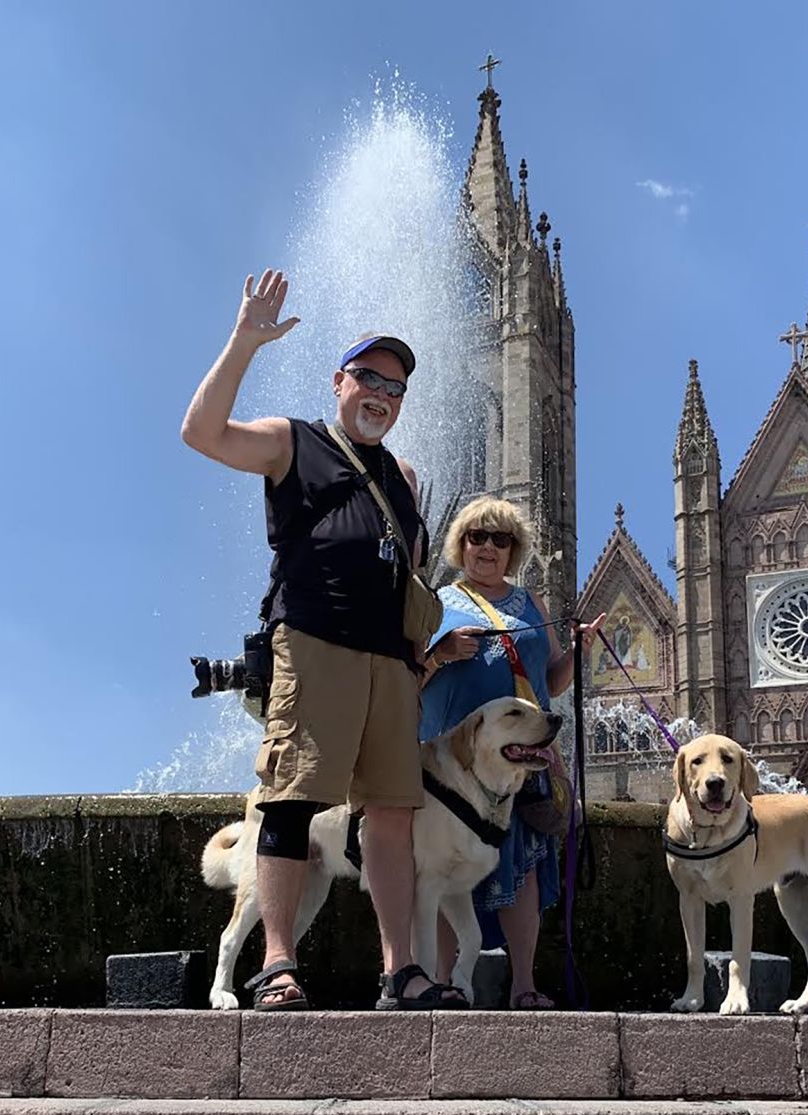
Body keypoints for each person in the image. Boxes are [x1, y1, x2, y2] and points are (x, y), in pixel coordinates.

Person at [181, 268, 464, 1011]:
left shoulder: (402, 475)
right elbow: (201, 432)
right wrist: (246, 340)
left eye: (396, 387)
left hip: (390, 665)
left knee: (394, 816)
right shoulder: (293, 440)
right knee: (290, 801)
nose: (381, 393)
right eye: (369, 377)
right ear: (340, 380)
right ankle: (277, 963)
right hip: (311, 644)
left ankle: (401, 970)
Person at [420, 496, 605, 1008]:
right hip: (452, 766)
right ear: (461, 543)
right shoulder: (437, 601)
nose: (487, 547)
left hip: (521, 762)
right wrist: (442, 653)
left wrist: (578, 652)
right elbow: (406, 677)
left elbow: (550, 685)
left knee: (522, 864)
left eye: (501, 540)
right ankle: (442, 981)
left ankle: (524, 984)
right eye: (478, 536)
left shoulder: (530, 605)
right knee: (441, 865)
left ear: (514, 551)